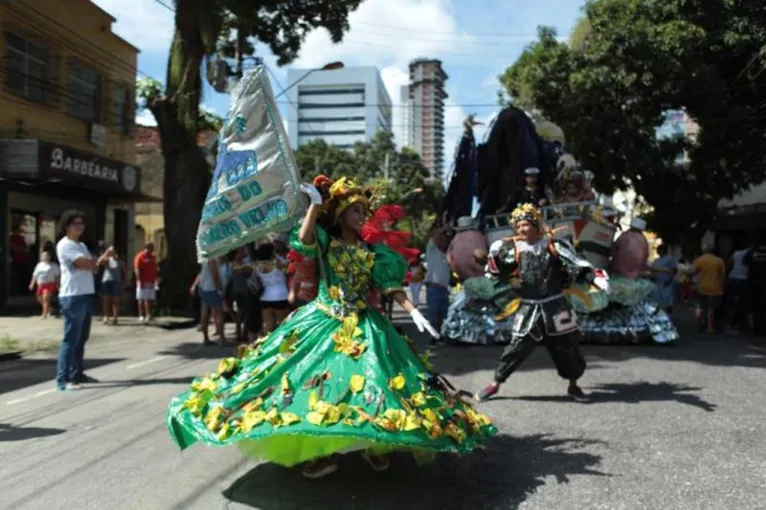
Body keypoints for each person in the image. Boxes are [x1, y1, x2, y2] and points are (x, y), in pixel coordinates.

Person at [166, 175, 495, 480]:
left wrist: (413, 310)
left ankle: (373, 443)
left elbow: (388, 284)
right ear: (339, 213)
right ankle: (317, 453)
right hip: (323, 320)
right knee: (313, 387)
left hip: (365, 323)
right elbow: (304, 239)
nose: (360, 215)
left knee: (374, 385)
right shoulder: (324, 242)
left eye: (363, 210)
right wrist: (314, 205)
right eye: (354, 210)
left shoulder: (371, 251)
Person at [474, 203, 610, 403]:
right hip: (529, 309)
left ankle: (573, 386)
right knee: (516, 347)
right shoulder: (515, 250)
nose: (521, 230)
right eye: (518, 226)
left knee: (567, 348)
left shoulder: (554, 246)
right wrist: (493, 256)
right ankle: (495, 383)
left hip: (556, 307)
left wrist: (595, 277)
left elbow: (576, 264)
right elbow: (497, 273)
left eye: (526, 225)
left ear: (537, 225)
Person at [55, 210, 112, 390]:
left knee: (81, 338)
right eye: (75, 223)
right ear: (66, 226)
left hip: (85, 294)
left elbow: (93, 268)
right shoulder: (65, 245)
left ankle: (76, 373)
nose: (79, 226)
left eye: (81, 223)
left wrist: (94, 263)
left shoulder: (81, 245)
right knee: (71, 338)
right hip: (72, 296)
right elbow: (89, 265)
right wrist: (100, 259)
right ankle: (63, 379)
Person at [191, 256, 230, 345]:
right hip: (211, 289)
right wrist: (221, 289)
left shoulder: (205, 258)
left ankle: (206, 338)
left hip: (203, 287)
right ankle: (222, 339)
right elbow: (215, 276)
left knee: (204, 312)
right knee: (219, 313)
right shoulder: (212, 259)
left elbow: (202, 273)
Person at [424, 223, 453, 340]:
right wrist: (445, 228)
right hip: (434, 288)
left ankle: (439, 336)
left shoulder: (446, 254)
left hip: (444, 289)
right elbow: (435, 235)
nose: (443, 239)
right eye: (442, 237)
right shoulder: (432, 248)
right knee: (434, 315)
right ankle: (433, 337)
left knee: (443, 315)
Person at [256, 242, 290, 333]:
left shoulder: (259, 265)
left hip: (265, 296)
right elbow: (287, 270)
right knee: (283, 323)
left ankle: (266, 343)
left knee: (268, 323)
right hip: (281, 295)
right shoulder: (278, 262)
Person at [691, 245, 726, 333]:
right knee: (711, 309)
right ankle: (710, 327)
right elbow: (722, 276)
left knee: (700, 307)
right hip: (715, 288)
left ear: (705, 251)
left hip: (701, 287)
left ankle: (698, 326)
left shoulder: (699, 260)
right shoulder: (719, 261)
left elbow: (692, 272)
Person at [743, 231, 766, 335]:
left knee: (752, 306)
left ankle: (751, 328)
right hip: (764, 282)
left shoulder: (751, 252)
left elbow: (745, 265)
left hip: (752, 282)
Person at [28, 250, 60, 319]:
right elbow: (35, 275)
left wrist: (58, 284)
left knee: (45, 298)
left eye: (46, 255)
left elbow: (57, 276)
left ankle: (44, 314)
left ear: (49, 257)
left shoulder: (54, 265)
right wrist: (32, 284)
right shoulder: (39, 265)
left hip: (50, 284)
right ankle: (50, 309)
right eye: (43, 256)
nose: (45, 257)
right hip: (40, 284)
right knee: (39, 299)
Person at [725, 244, 749, 333]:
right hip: (743, 279)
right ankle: (737, 323)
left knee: (731, 302)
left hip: (733, 277)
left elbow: (729, 264)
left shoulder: (735, 253)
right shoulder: (748, 252)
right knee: (739, 302)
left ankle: (730, 323)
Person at [101, 247, 128, 325]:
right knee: (106, 299)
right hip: (107, 280)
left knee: (116, 300)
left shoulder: (121, 262)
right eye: (112, 252)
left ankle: (115, 317)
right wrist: (107, 253)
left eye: (114, 252)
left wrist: (126, 282)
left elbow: (125, 272)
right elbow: (99, 262)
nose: (113, 254)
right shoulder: (107, 260)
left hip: (117, 282)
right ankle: (106, 316)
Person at [134, 243, 160, 323]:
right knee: (141, 299)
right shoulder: (140, 256)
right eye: (152, 248)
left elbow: (156, 268)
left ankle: (149, 315)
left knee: (149, 299)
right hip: (142, 281)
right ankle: (141, 315)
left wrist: (156, 279)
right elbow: (137, 269)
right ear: (147, 247)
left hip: (151, 281)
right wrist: (139, 280)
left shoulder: (153, 257)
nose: (153, 249)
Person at [650, 244, 678, 314]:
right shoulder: (656, 260)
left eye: (659, 249)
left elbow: (675, 270)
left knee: (668, 301)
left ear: (664, 250)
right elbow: (652, 270)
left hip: (666, 283)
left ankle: (669, 316)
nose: (657, 251)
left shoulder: (669, 258)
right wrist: (652, 277)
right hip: (657, 283)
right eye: (657, 250)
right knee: (656, 301)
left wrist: (670, 280)